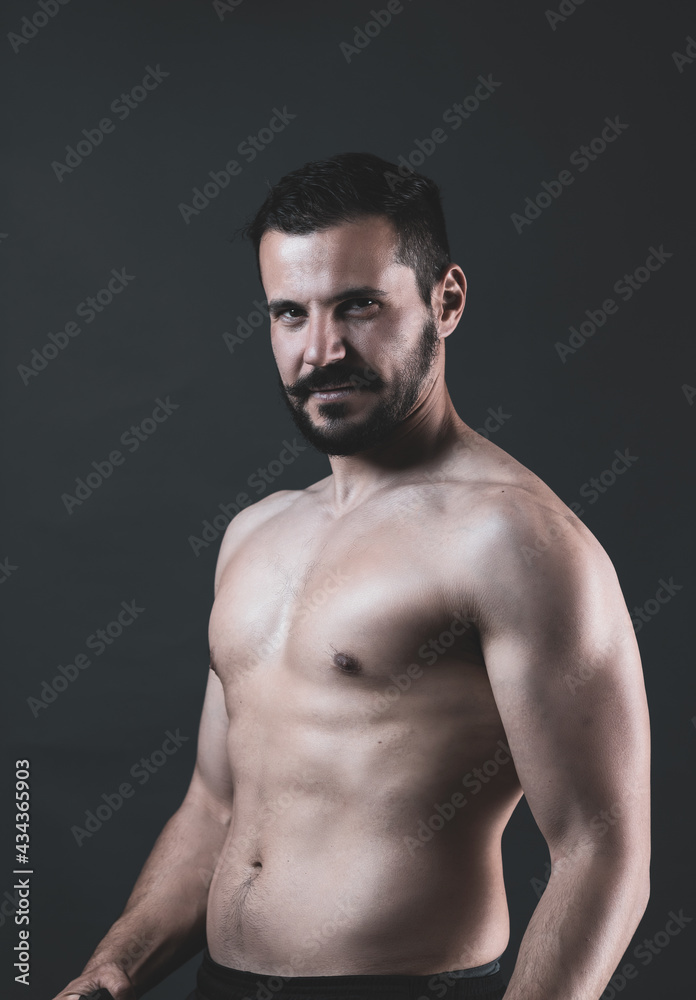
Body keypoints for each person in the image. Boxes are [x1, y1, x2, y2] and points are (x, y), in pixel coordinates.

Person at [53, 153, 650, 1000]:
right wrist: (116, 964)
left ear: (445, 301)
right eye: (289, 314)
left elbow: (603, 853)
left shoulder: (514, 540)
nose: (320, 349)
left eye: (358, 306)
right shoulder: (255, 534)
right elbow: (214, 807)